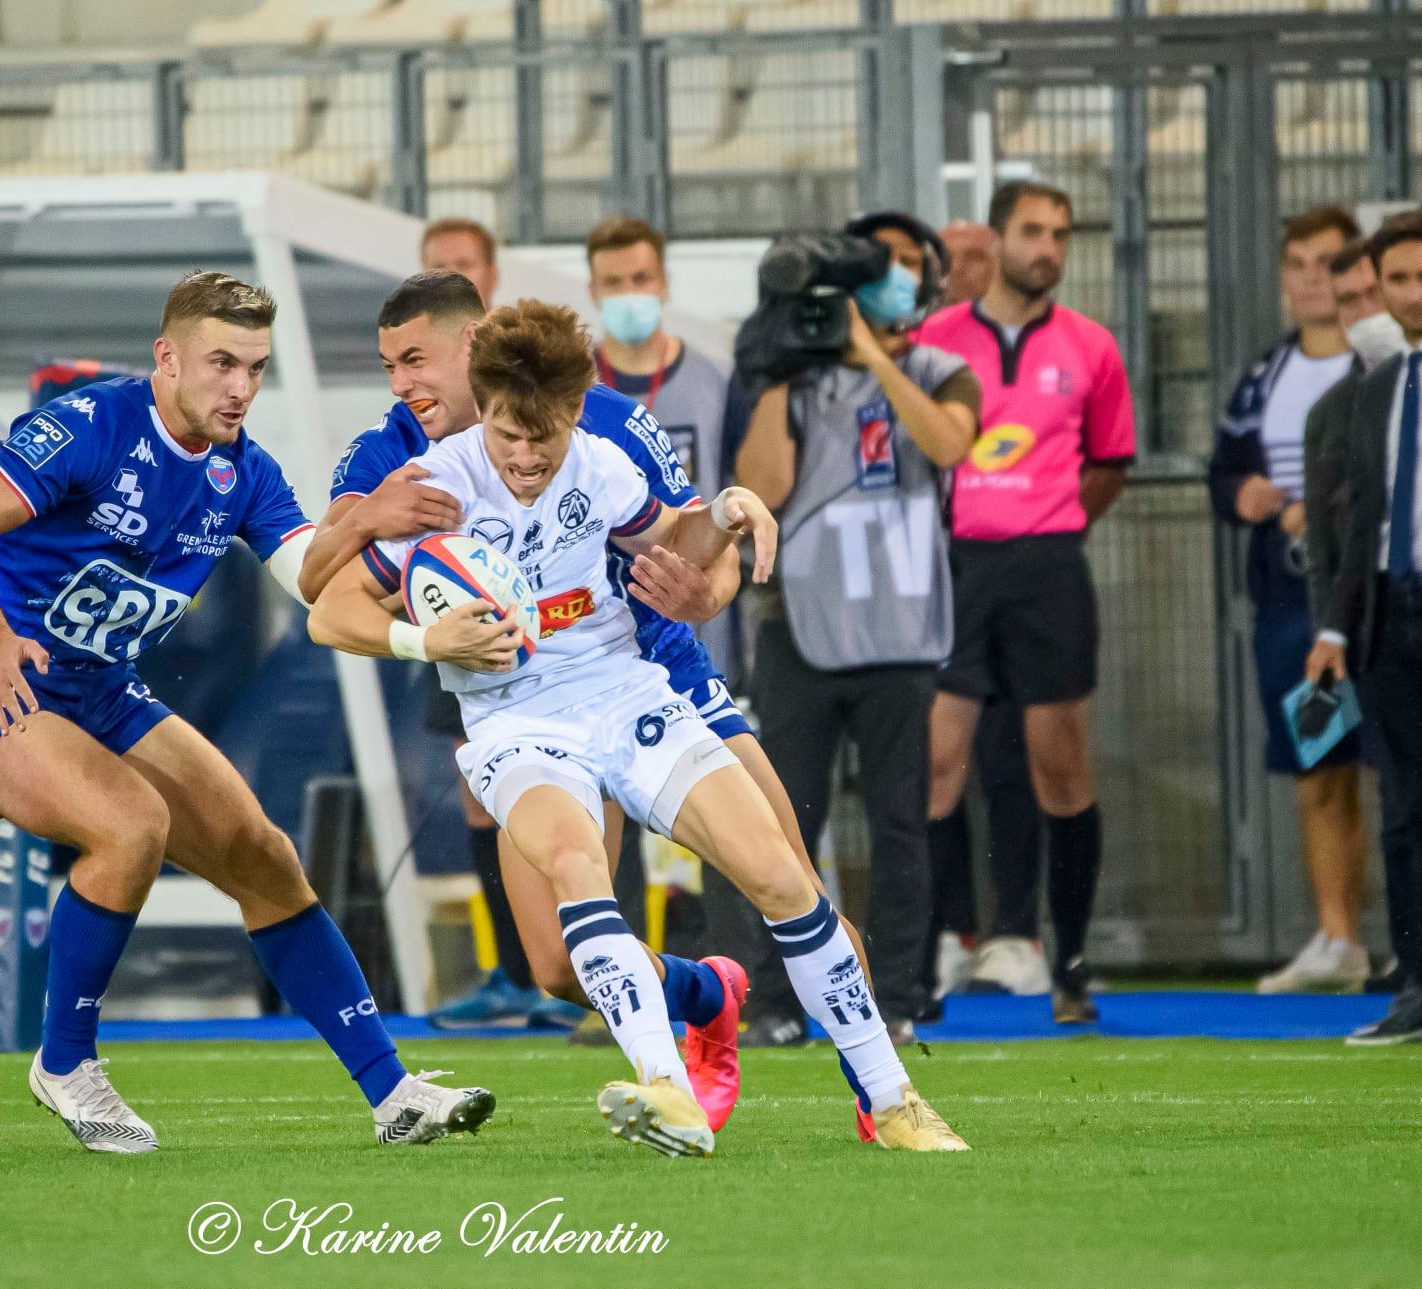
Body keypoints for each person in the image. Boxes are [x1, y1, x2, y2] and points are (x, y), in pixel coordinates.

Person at [309, 300, 967, 1154]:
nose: (522, 455)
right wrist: (424, 638)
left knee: (779, 874)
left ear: (574, 411)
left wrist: (731, 509)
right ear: (485, 400)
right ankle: (668, 1087)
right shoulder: (435, 484)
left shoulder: (606, 458)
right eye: (507, 433)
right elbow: (328, 609)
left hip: (631, 694)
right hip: (517, 722)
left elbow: (684, 542)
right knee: (578, 877)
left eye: (540, 436)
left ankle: (892, 1100)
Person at [0, 271, 493, 1151]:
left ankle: (393, 1092)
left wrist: (366, 519)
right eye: (221, 363)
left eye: (255, 368)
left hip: (101, 690)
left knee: (264, 857)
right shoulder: (90, 425)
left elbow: (305, 578)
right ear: (167, 356)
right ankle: (65, 1062)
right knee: (129, 823)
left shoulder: (242, 472)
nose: (239, 387)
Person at [727, 212, 979, 1047]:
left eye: (908, 267)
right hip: (800, 625)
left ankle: (899, 995)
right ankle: (773, 1001)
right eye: (880, 267)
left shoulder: (946, 369)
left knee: (900, 821)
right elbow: (764, 486)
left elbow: (947, 445)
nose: (892, 281)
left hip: (900, 631)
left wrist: (872, 356)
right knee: (781, 818)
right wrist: (772, 372)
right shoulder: (794, 381)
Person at [914, 180, 1137, 1025]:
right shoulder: (935, 340)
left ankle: (1070, 963)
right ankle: (928, 960)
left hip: (1048, 570)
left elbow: (1110, 460)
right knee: (935, 767)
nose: (1047, 247)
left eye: (1060, 233)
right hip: (953, 567)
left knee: (1061, 766)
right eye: (1032, 231)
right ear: (997, 239)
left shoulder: (1092, 347)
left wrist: (1049, 519)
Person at [402, 219, 568, 1029]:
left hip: (581, 645)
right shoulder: (411, 422)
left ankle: (592, 975)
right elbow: (333, 571)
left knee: (595, 801)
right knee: (481, 794)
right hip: (466, 626)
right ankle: (511, 972)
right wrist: (366, 520)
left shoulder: (560, 394)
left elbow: (661, 509)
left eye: (461, 265)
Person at [1209, 205, 1371, 993]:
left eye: (1330, 262)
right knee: (1321, 768)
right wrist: (1241, 492)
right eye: (1299, 262)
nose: (1314, 278)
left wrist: (1330, 505)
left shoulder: (1381, 367)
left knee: (1396, 770)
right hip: (1293, 604)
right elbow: (1221, 471)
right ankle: (1340, 938)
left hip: (1377, 600)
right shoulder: (1262, 375)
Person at [1304, 215, 1422, 1046]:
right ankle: (1415, 986)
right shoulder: (1376, 389)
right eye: (1399, 281)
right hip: (1390, 613)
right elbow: (1361, 523)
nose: (1411, 295)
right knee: (1404, 813)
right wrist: (1337, 630)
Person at [585, 216, 738, 668]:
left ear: (664, 283)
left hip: (697, 619)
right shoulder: (570, 391)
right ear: (593, 291)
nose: (628, 293)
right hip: (599, 628)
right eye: (613, 282)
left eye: (640, 279)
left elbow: (731, 500)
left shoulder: (714, 380)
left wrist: (715, 594)